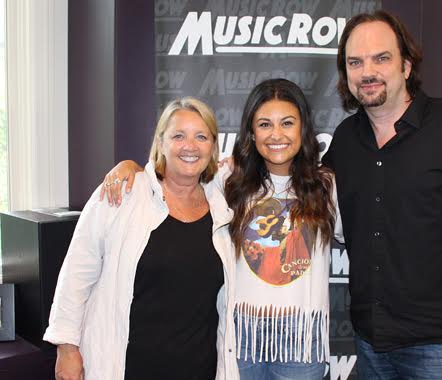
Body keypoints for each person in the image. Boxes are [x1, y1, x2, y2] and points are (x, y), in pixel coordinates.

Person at [99, 79, 343, 379]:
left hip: (301, 342)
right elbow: (172, 178)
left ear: (303, 129)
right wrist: (131, 168)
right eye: (265, 124)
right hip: (240, 337)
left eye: (287, 123)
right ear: (251, 134)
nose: (276, 134)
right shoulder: (229, 178)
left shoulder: (327, 186)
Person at [321, 10, 442, 379]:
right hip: (370, 342)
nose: (368, 72)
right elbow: (304, 197)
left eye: (381, 58)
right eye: (355, 62)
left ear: (406, 66)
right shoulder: (346, 140)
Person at [43, 97, 238, 379]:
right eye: (178, 136)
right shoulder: (122, 193)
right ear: (161, 142)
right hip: (128, 366)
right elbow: (76, 272)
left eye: (201, 137)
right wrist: (66, 347)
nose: (190, 146)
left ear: (213, 146)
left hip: (199, 368)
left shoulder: (221, 203)